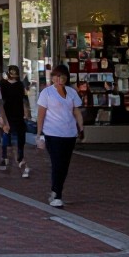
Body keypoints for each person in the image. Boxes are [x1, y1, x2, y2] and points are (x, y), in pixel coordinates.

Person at [36, 64, 85, 208]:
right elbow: (41, 114)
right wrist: (39, 133)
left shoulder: (71, 92)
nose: (59, 79)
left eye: (62, 76)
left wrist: (81, 128)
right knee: (57, 163)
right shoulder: (47, 93)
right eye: (56, 76)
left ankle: (56, 190)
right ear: (52, 78)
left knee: (64, 165)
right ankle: (57, 194)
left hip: (69, 133)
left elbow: (76, 111)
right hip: (52, 133)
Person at [0, 65, 31, 177]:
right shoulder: (4, 84)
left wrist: (26, 112)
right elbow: (0, 101)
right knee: (7, 135)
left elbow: (24, 99)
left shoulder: (18, 84)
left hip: (16, 114)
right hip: (8, 114)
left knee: (15, 136)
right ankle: (5, 157)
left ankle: (15, 157)